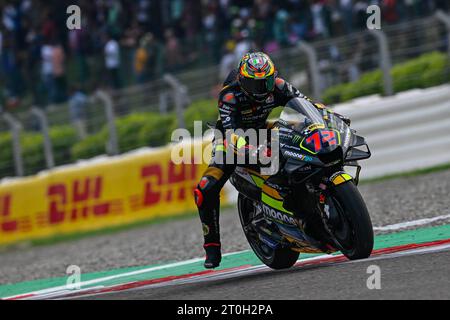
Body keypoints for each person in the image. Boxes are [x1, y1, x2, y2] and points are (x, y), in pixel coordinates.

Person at [193, 52, 350, 269]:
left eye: (266, 82)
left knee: (300, 138)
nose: (262, 89)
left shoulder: (278, 85)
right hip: (231, 139)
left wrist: (329, 118)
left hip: (263, 128)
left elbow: (307, 105)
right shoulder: (229, 96)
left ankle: (307, 193)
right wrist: (253, 149)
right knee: (205, 188)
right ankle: (212, 246)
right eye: (255, 84)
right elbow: (231, 134)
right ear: (242, 79)